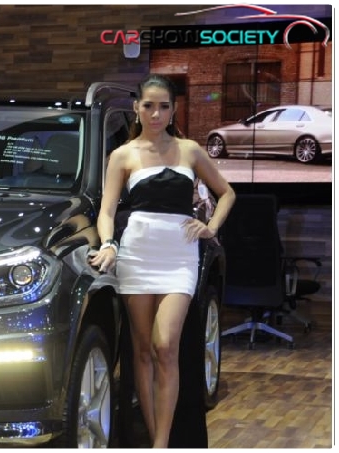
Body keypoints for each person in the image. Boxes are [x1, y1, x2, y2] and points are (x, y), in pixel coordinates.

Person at [89, 74, 236, 448]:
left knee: (166, 346)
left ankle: (162, 442)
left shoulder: (190, 150)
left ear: (173, 110)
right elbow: (107, 210)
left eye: (164, 106)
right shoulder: (123, 155)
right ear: (137, 108)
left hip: (179, 257)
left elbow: (227, 193)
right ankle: (155, 440)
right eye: (149, 106)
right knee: (142, 351)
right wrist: (108, 244)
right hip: (136, 255)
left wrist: (211, 227)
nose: (156, 114)